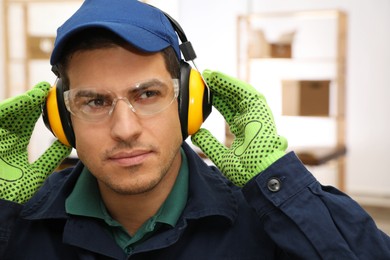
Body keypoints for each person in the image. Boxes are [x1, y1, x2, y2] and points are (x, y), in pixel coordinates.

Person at [0, 0, 389, 259]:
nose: (124, 129)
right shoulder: (19, 221)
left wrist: (280, 185)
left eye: (148, 94)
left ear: (191, 102)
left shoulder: (269, 221)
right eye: (94, 102)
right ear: (63, 119)